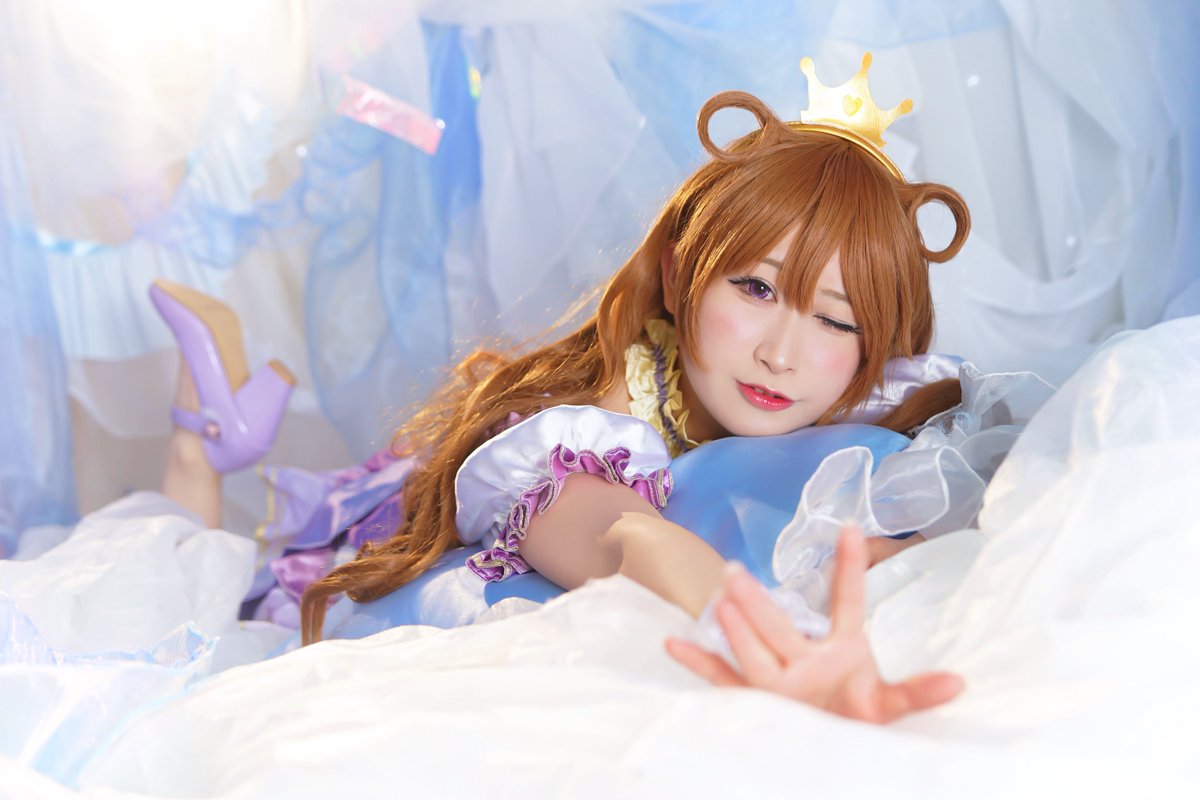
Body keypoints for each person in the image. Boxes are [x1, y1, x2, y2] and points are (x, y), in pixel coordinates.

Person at [154, 55, 971, 722]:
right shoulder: (591, 430)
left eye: (836, 320)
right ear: (679, 274)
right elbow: (628, 537)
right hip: (387, 553)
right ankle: (200, 447)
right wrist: (785, 647)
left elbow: (879, 552)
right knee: (188, 619)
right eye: (756, 288)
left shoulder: (866, 422)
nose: (782, 354)